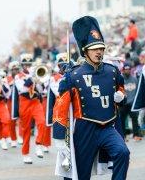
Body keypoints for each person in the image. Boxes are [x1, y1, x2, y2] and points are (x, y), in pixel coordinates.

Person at [53, 16, 130, 180]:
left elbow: (122, 92)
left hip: (108, 127)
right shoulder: (73, 75)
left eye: (101, 48)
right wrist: (59, 137)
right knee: (80, 174)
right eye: (94, 48)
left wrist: (121, 97)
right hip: (84, 129)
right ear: (85, 51)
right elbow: (61, 107)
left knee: (123, 152)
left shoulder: (113, 71)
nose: (98, 52)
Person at [15, 54, 45, 164]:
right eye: (25, 64)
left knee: (42, 122)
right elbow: (22, 88)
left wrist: (40, 81)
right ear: (22, 66)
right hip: (25, 102)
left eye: (29, 64)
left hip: (35, 101)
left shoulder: (35, 74)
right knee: (26, 129)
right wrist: (31, 78)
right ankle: (26, 154)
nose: (27, 66)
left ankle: (38, 144)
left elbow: (42, 91)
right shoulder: (18, 76)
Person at [120, 63, 142, 141]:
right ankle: (123, 136)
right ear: (123, 70)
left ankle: (136, 135)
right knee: (122, 120)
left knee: (134, 119)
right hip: (123, 103)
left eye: (129, 69)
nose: (127, 71)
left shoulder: (134, 79)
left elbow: (137, 91)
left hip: (132, 103)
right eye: (126, 69)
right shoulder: (121, 79)